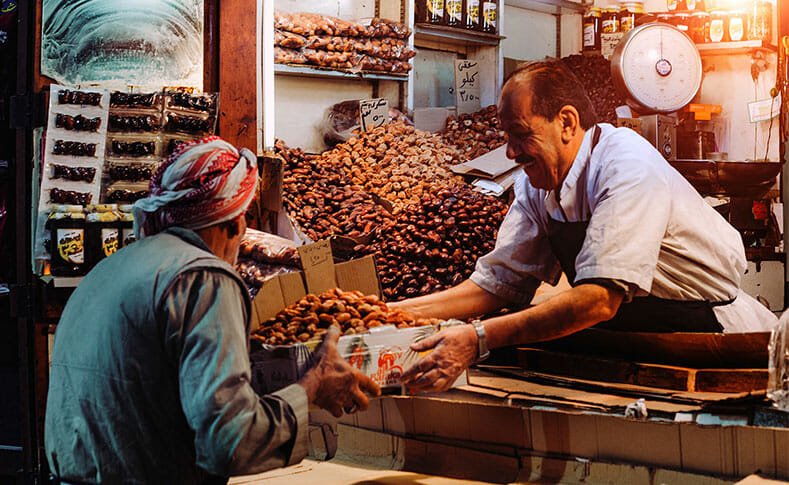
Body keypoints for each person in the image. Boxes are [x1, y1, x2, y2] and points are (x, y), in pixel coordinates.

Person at [395, 59, 778, 393]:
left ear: (566, 122)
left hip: (705, 337)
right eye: (507, 137)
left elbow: (598, 299)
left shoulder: (624, 165)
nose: (510, 152)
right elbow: (496, 285)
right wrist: (392, 313)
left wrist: (479, 337)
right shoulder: (535, 184)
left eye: (521, 134)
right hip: (628, 337)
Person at [45, 136, 380, 483]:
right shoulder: (204, 278)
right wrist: (312, 387)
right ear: (236, 223)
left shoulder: (111, 267)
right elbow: (231, 442)